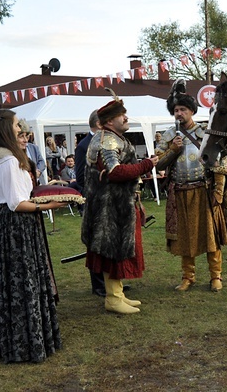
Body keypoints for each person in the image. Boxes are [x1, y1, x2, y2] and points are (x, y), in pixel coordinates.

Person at [0, 109, 62, 363]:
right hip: (18, 227)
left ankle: (14, 340)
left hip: (5, 226)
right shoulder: (9, 161)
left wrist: (46, 191)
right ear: (5, 128)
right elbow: (18, 203)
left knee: (11, 284)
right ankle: (27, 343)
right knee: (22, 282)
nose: (20, 130)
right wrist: (49, 205)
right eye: (17, 125)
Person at [81, 94, 158, 314]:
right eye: (120, 115)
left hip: (117, 205)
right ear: (107, 121)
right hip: (110, 209)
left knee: (117, 251)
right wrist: (145, 165)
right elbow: (115, 172)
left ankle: (118, 294)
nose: (125, 118)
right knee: (112, 251)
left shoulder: (112, 137)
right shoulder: (108, 140)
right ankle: (113, 299)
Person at [155, 80, 227, 292]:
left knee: (211, 236)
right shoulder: (169, 136)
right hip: (180, 193)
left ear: (191, 111)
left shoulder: (205, 133)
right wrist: (173, 150)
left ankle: (216, 276)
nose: (178, 113)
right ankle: (188, 277)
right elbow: (158, 164)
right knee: (184, 238)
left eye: (182, 109)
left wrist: (218, 191)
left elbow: (220, 163)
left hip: (204, 192)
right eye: (175, 110)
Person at [74, 110, 107, 296]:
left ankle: (111, 282)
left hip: (108, 199)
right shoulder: (84, 145)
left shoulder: (108, 141)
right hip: (93, 199)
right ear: (99, 123)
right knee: (95, 244)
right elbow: (80, 177)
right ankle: (98, 285)